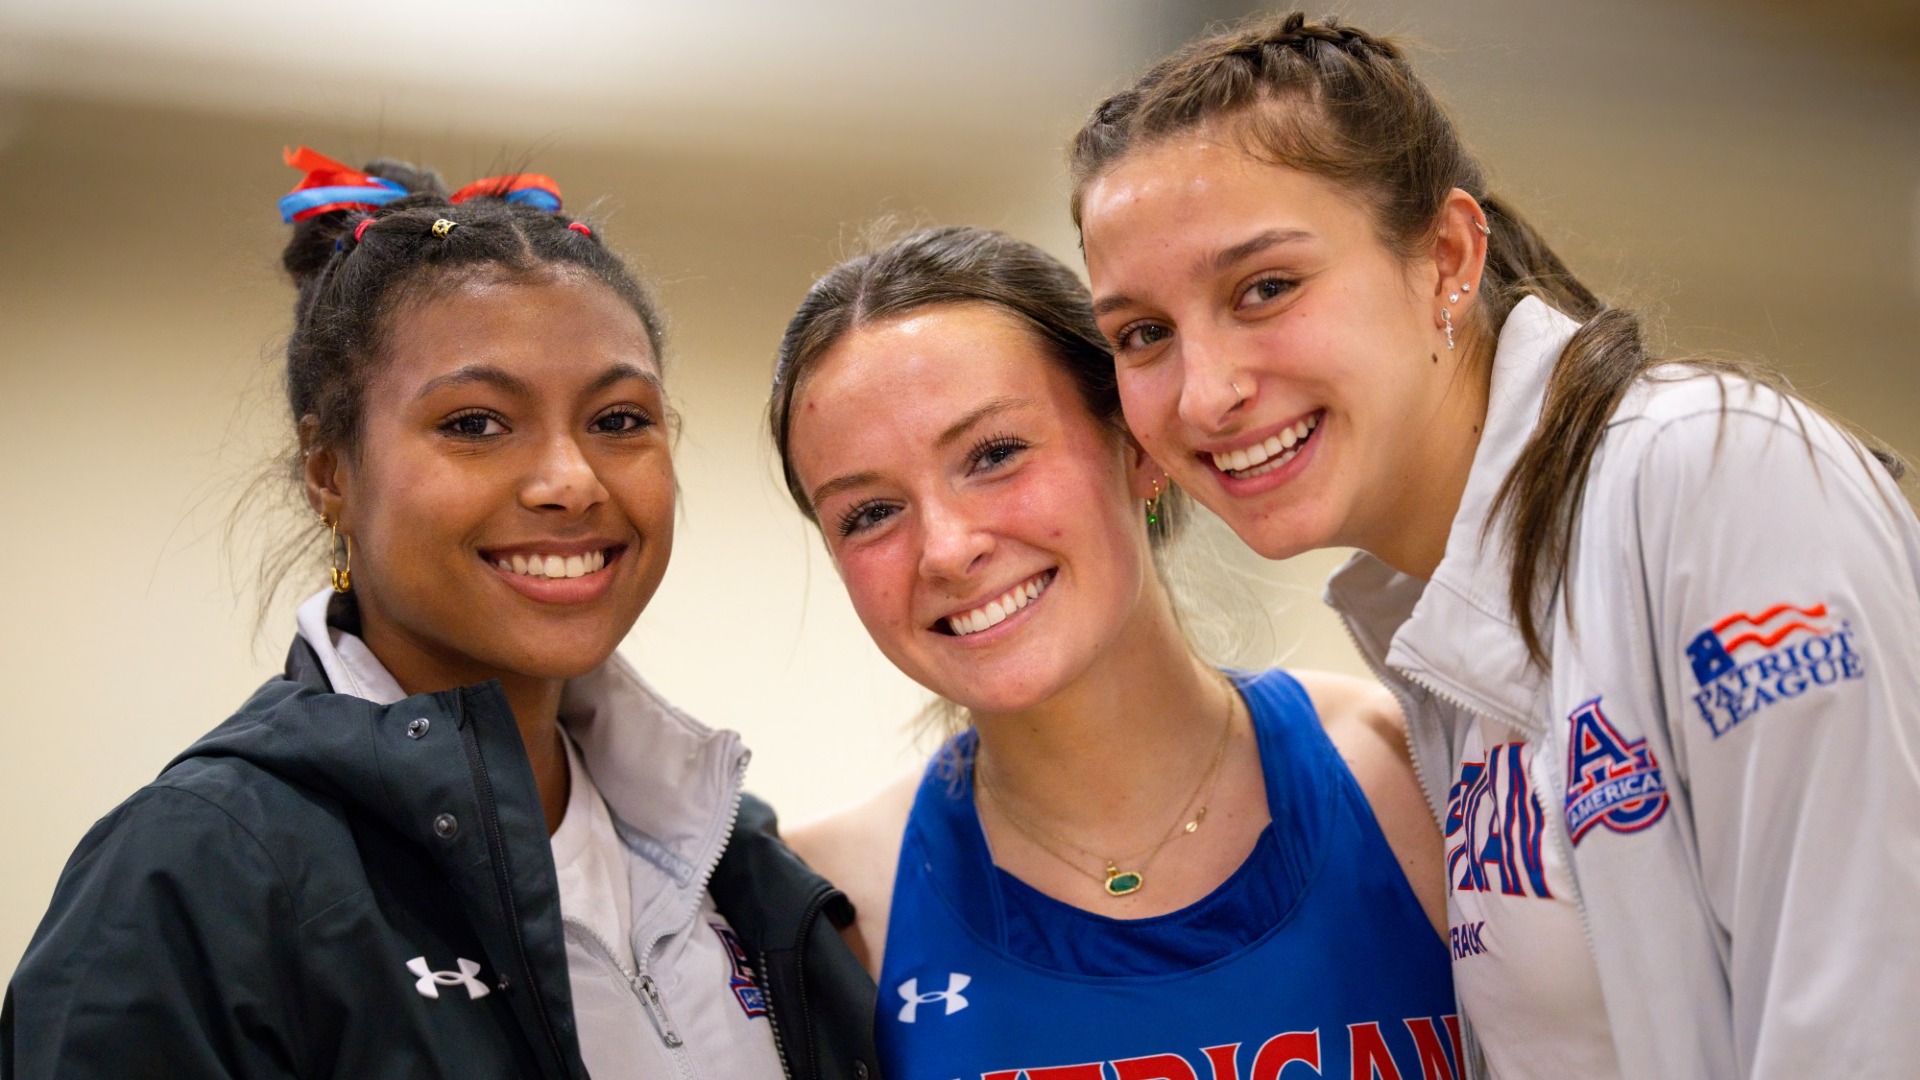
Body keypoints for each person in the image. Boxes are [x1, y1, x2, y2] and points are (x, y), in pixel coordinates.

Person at [1070, 12, 1920, 1079]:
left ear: (1447, 259)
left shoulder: (1712, 477)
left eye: (1265, 289)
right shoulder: (1439, 625)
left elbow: (1868, 1024)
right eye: (1144, 334)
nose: (1207, 391)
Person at [1, 148, 877, 1080]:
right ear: (328, 471)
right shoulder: (197, 874)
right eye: (475, 424)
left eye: (619, 420)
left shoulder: (737, 863)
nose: (570, 482)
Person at [769, 225, 1459, 1080]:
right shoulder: (826, 904)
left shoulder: (1417, 774)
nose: (945, 550)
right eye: (869, 513)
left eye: (994, 455)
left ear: (1138, 444)